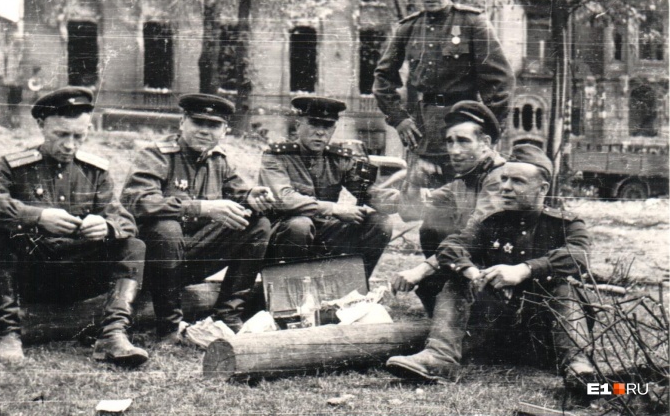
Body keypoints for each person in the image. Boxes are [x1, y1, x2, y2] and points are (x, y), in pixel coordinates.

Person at [386, 144, 596, 391]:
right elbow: (450, 247)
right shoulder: (490, 223)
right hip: (495, 330)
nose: (505, 187)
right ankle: (439, 358)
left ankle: (578, 367)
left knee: (563, 285)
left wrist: (524, 270)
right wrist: (473, 273)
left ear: (543, 188)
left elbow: (579, 256)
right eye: (504, 179)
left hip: (544, 334)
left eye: (517, 181)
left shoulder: (565, 224)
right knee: (458, 279)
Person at [0, 87, 149, 367]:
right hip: (31, 276)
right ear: (41, 125)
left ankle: (113, 334)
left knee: (133, 246)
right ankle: (6, 332)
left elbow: (124, 220)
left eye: (78, 136)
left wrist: (107, 226)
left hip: (78, 276)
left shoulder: (95, 172)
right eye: (61, 135)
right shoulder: (13, 167)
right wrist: (36, 217)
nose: (69, 145)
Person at [120, 94, 275, 340]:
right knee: (167, 229)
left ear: (224, 130)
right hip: (152, 263)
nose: (204, 130)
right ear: (182, 122)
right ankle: (168, 325)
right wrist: (201, 208)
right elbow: (139, 202)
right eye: (197, 122)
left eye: (213, 125)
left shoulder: (218, 161)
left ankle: (228, 314)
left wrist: (251, 197)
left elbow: (239, 194)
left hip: (191, 256)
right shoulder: (156, 155)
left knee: (257, 225)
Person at [372, 0, 514, 189]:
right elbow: (383, 77)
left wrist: (489, 130)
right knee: (418, 199)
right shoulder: (408, 28)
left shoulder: (473, 23)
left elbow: (501, 81)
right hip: (422, 131)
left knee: (465, 195)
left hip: (465, 127)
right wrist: (399, 119)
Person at [259, 96, 399, 278]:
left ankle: (353, 286)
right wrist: (334, 209)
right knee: (300, 225)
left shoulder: (338, 159)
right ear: (298, 125)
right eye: (314, 124)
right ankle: (289, 287)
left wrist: (410, 200)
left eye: (327, 126)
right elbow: (284, 199)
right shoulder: (276, 156)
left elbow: (370, 193)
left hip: (324, 233)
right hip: (282, 236)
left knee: (380, 223)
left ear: (333, 129)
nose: (320, 132)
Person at [390, 101, 506, 315]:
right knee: (433, 221)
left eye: (463, 141)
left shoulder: (502, 178)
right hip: (465, 262)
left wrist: (422, 270)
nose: (454, 150)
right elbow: (410, 212)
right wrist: (414, 182)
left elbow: (475, 237)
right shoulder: (465, 180)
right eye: (450, 142)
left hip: (498, 273)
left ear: (485, 143)